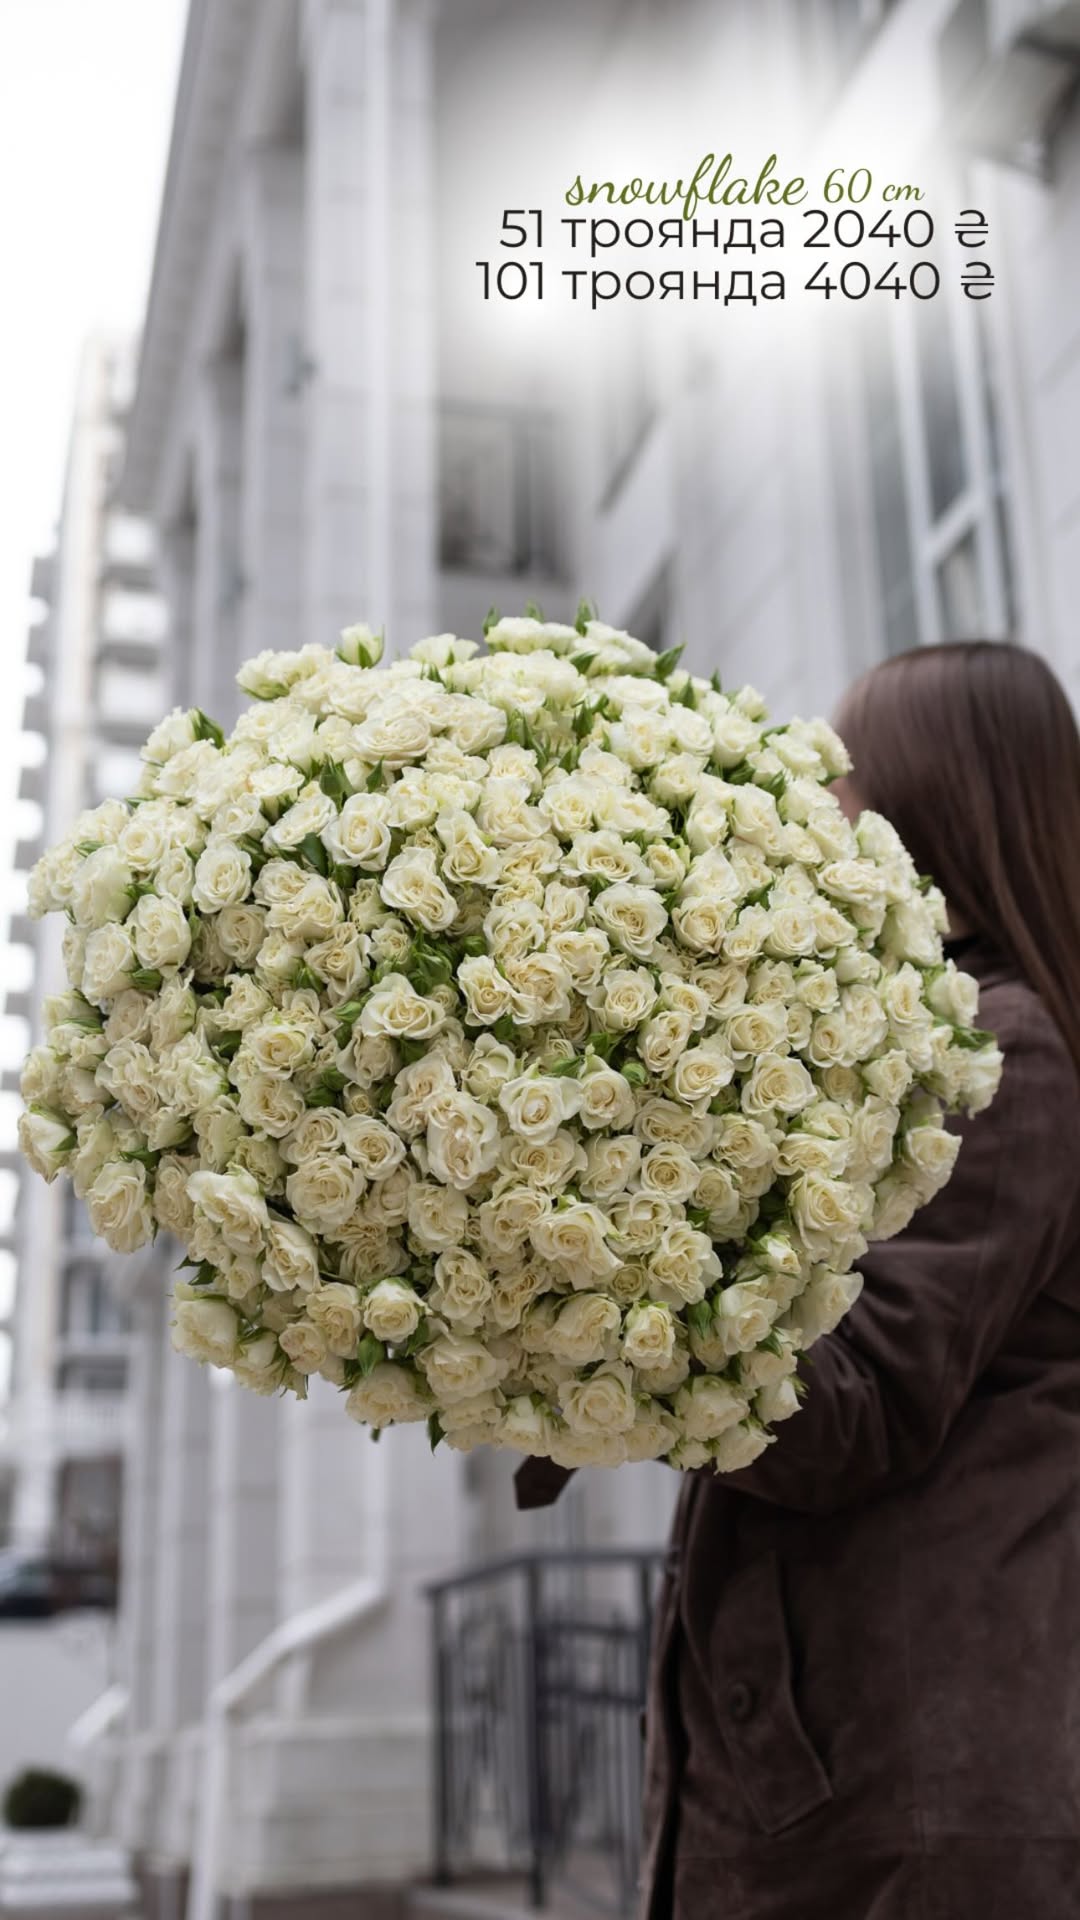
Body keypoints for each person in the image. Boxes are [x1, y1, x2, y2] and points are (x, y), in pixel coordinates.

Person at [517, 640, 1080, 1918]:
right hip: (847, 1767)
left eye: (848, 777)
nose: (821, 813)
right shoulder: (916, 1038)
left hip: (914, 1787)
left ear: (933, 804)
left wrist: (575, 1284)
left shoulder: (1006, 1053)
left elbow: (856, 1407)